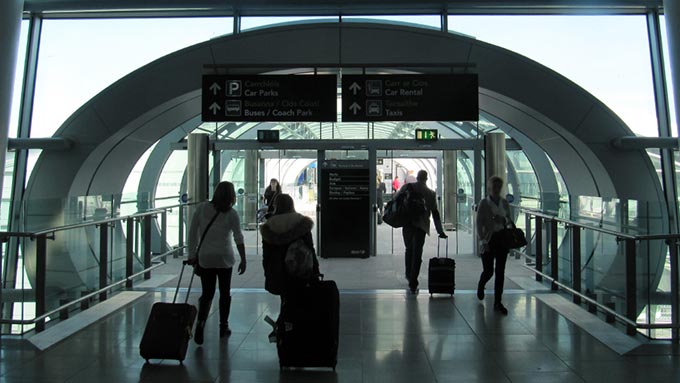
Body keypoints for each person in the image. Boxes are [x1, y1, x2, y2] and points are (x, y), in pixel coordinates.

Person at [187, 181, 247, 344]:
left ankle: (200, 324)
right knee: (225, 293)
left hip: (206, 257)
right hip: (224, 258)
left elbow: (192, 232)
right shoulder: (232, 214)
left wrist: (192, 254)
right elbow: (238, 237)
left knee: (207, 293)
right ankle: (223, 326)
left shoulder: (201, 208)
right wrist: (243, 258)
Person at [396, 170, 447, 293]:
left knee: (409, 249)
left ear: (417, 177)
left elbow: (396, 200)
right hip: (421, 226)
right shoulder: (430, 193)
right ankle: (414, 279)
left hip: (408, 224)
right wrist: (440, 231)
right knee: (417, 252)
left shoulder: (407, 187)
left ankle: (408, 274)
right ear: (426, 179)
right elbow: (435, 213)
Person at [476, 176, 513, 315]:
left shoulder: (504, 203)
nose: (497, 189)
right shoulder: (484, 203)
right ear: (490, 188)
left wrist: (503, 220)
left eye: (499, 187)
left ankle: (498, 301)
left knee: (500, 271)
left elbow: (509, 219)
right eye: (495, 187)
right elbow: (479, 223)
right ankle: (482, 284)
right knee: (489, 270)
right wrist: (482, 241)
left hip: (502, 238)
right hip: (489, 239)